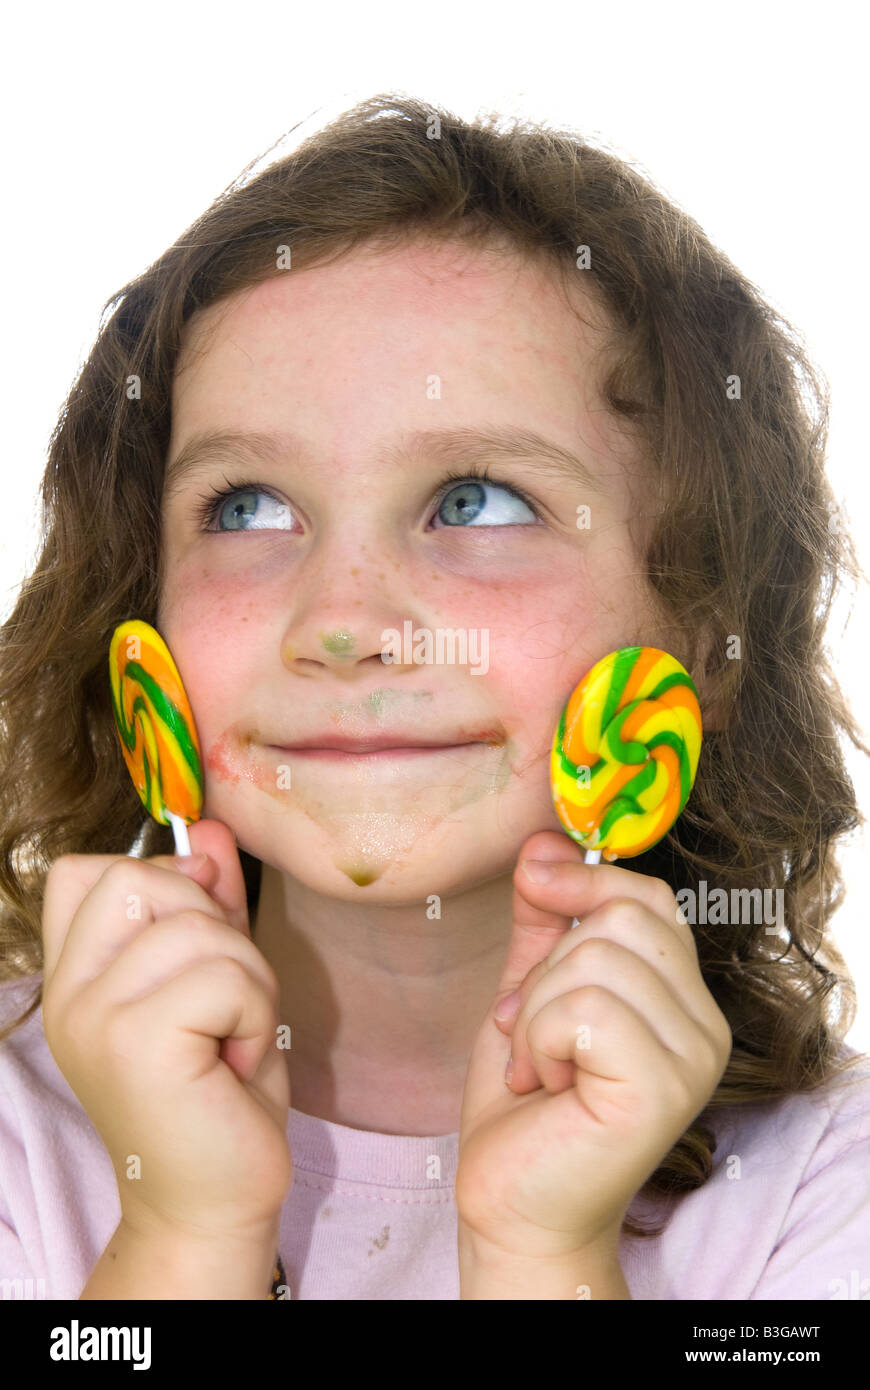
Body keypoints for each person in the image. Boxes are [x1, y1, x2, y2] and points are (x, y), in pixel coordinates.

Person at [1, 93, 868, 1302]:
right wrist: (181, 1234)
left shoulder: (829, 1188)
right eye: (248, 506)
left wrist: (542, 1257)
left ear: (707, 649)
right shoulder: (17, 1130)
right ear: (140, 619)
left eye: (474, 500)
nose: (345, 623)